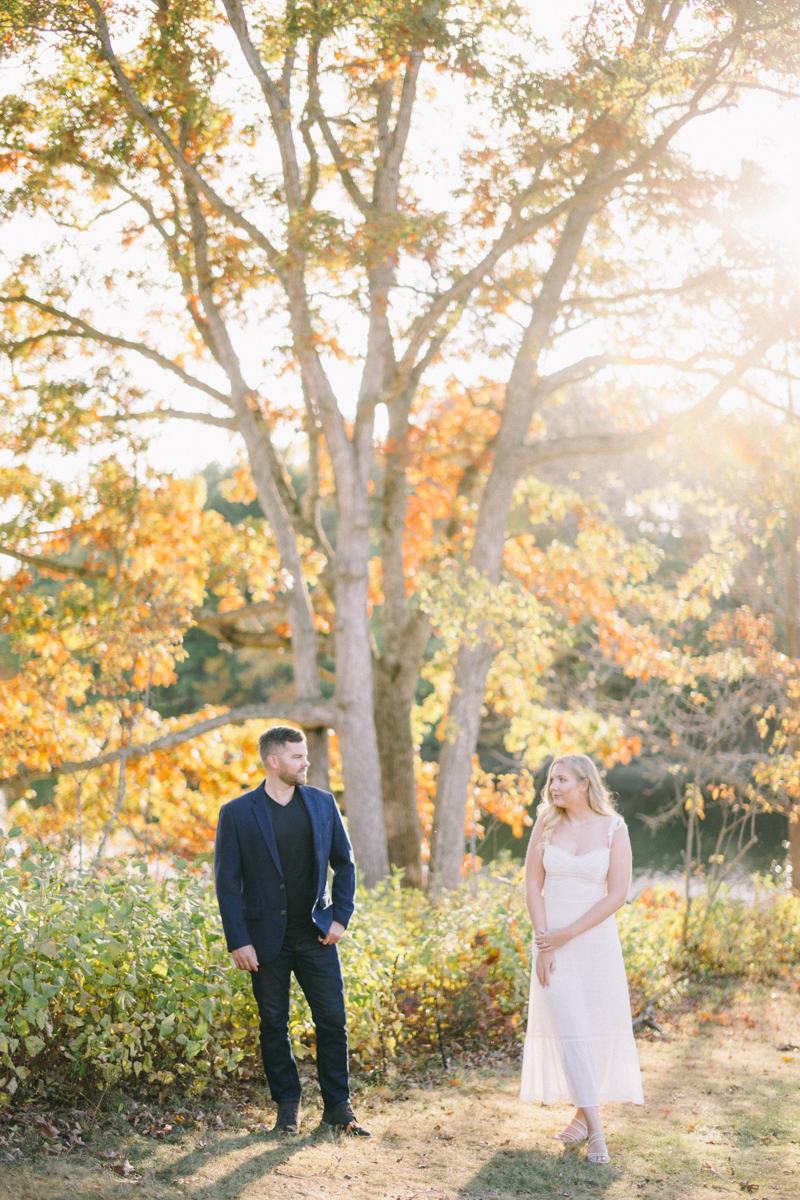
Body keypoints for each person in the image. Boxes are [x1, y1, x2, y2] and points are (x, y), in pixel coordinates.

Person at [214, 725, 370, 1138]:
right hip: (264, 940)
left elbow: (345, 863)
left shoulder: (322, 803)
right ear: (273, 761)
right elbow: (226, 883)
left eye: (305, 756)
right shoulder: (236, 813)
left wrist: (340, 917)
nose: (306, 762)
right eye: (298, 757)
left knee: (333, 1021)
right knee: (273, 1024)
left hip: (317, 934)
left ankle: (338, 1107)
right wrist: (238, 940)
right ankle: (287, 1107)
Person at [519, 754, 643, 1164]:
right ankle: (597, 1133)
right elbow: (532, 886)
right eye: (551, 779)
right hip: (550, 944)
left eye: (562, 780)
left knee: (597, 1032)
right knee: (569, 1026)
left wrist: (567, 934)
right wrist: (545, 943)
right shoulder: (547, 823)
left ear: (585, 783)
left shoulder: (614, 828)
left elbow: (617, 894)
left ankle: (578, 1117)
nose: (554, 787)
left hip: (594, 943)